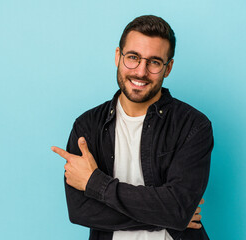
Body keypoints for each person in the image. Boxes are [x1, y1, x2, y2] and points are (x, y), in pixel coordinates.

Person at [51, 15, 213, 240]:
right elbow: (80, 211)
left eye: (154, 62)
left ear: (168, 68)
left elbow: (177, 208)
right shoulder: (87, 126)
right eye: (133, 57)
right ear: (118, 56)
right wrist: (167, 216)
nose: (140, 71)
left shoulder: (193, 125)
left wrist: (94, 182)